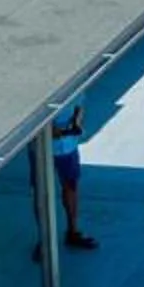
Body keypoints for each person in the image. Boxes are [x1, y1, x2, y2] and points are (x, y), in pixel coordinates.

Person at [51, 106, 96, 251]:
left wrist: (76, 123)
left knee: (71, 185)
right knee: (41, 191)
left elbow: (79, 106)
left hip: (68, 146)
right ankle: (44, 239)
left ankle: (73, 231)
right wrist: (49, 129)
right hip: (42, 147)